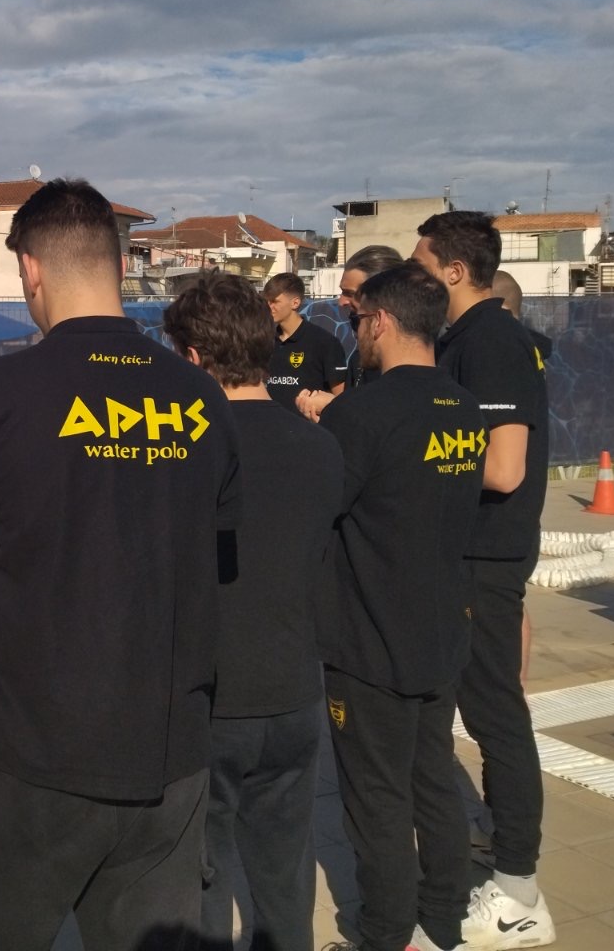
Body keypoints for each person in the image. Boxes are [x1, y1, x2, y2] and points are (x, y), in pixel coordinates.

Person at [0, 178, 241, 950]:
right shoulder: (200, 396)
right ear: (121, 264)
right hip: (166, 752)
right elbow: (213, 550)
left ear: (30, 270)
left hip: (23, 753)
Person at [163, 272, 343, 951]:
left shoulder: (184, 449)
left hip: (212, 697)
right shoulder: (322, 446)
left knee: (200, 875)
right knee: (285, 872)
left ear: (193, 358)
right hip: (295, 690)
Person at [317, 262, 483, 951]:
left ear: (381, 321)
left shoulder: (361, 412)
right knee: (434, 780)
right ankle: (443, 921)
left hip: (370, 642)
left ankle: (385, 934)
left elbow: (319, 511)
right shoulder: (463, 406)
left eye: (358, 319)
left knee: (378, 798)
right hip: (441, 632)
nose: (356, 332)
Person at [414, 212, 554, 950]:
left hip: (487, 557)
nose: (414, 281)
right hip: (467, 555)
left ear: (454, 272)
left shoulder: (491, 340)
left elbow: (502, 468)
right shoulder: (464, 339)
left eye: (421, 267)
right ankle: (502, 846)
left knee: (496, 715)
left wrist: (416, 465)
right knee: (480, 710)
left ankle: (519, 892)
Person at [491, 269, 549, 688]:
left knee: (504, 607)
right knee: (513, 603)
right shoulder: (531, 352)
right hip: (527, 507)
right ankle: (517, 687)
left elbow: (504, 470)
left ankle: (512, 692)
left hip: (509, 511)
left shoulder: (505, 354)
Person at [297, 245, 405, 422]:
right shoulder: (358, 358)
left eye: (350, 294)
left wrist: (336, 406)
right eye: (342, 292)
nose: (341, 302)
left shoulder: (411, 360)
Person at [263, 271, 346, 410]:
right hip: (272, 421)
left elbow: (340, 399)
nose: (269, 307)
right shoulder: (265, 341)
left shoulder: (324, 342)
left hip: (308, 423)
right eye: (267, 301)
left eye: (274, 301)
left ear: (295, 303)